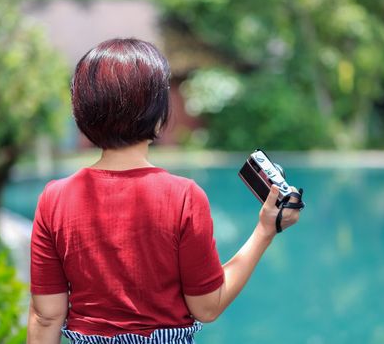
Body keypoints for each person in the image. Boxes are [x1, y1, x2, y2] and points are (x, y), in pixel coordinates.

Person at [26, 38, 302, 344]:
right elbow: (207, 306)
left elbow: (46, 315)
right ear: (158, 118)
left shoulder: (54, 199)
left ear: (82, 115)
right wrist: (266, 229)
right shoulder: (183, 197)